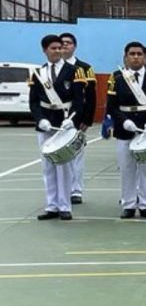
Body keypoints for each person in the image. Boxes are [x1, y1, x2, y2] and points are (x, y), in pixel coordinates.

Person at [106, 41, 146, 219]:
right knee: (127, 169)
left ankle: (145, 204)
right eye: (132, 54)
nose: (136, 57)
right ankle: (128, 204)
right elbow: (112, 106)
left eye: (139, 54)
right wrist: (123, 121)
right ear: (126, 57)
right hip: (125, 129)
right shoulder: (116, 79)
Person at [29, 34, 86, 221]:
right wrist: (40, 120)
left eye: (60, 48)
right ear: (45, 50)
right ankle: (51, 206)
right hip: (46, 123)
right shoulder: (38, 73)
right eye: (53, 48)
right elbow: (34, 102)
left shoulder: (74, 71)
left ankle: (64, 206)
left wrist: (73, 119)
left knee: (65, 165)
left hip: (65, 122)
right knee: (48, 166)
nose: (58, 51)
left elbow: (79, 100)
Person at [59, 32, 95, 204]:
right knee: (58, 155)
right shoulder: (52, 68)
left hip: (77, 117)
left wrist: (87, 119)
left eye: (69, 43)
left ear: (75, 46)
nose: (65, 45)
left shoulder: (85, 68)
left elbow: (91, 96)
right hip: (56, 118)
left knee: (77, 155)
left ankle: (76, 190)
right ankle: (61, 190)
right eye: (62, 43)